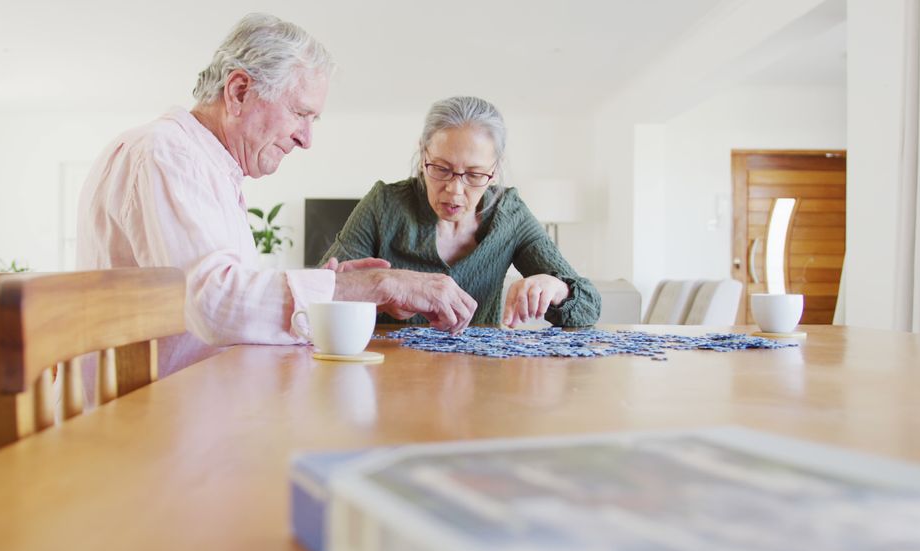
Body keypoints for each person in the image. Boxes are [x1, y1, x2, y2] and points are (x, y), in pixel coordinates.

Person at [77, 14, 476, 376]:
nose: (306, 139)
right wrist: (376, 286)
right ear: (238, 91)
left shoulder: (205, 164)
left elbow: (228, 295)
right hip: (147, 429)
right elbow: (213, 304)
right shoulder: (166, 152)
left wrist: (336, 288)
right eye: (301, 113)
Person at [320, 96, 601, 328]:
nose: (454, 190)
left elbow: (589, 306)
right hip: (388, 375)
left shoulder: (510, 214)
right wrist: (382, 288)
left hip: (478, 380)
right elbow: (319, 291)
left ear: (495, 170)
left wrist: (556, 289)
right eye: (441, 169)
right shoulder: (384, 203)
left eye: (475, 174)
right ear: (423, 154)